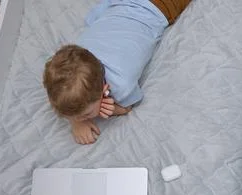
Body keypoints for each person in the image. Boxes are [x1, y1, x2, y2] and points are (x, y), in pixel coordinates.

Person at [43, 0, 191, 144]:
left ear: (105, 89)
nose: (80, 119)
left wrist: (112, 109)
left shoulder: (121, 85)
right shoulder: (79, 51)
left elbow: (127, 107)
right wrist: (75, 121)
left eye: (86, 115)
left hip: (159, 7)